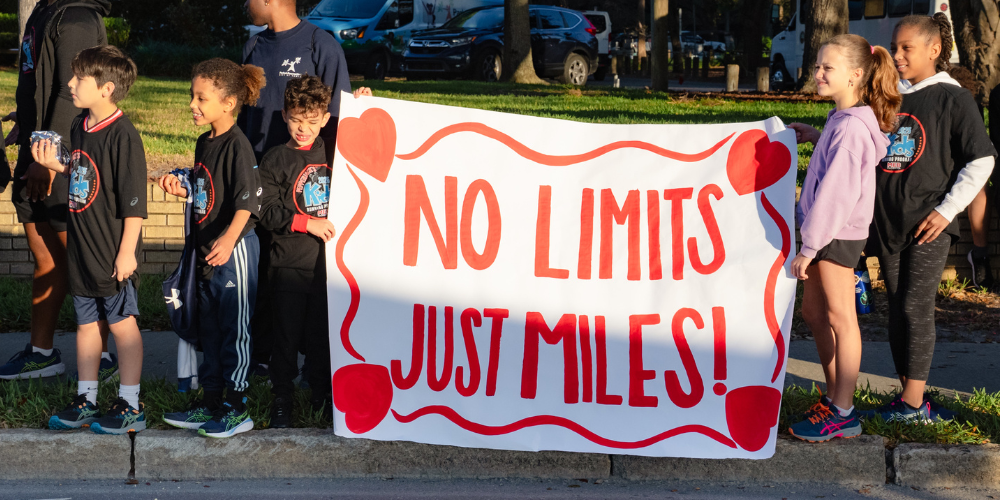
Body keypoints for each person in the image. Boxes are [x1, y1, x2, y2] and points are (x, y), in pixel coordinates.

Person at [865, 13, 996, 423]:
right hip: (888, 223)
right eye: (895, 46)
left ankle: (913, 404)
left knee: (916, 308)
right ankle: (908, 395)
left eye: (907, 48)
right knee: (897, 308)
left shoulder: (953, 99)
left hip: (927, 226)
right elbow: (867, 145)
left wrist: (946, 210)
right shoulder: (890, 94)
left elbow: (982, 160)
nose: (898, 55)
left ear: (934, 50)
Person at [784, 35, 899, 442]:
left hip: (834, 235)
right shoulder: (842, 120)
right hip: (825, 233)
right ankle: (834, 399)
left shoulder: (851, 128)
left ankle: (844, 412)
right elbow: (843, 161)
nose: (817, 74)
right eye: (816, 66)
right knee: (815, 316)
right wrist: (817, 137)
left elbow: (837, 194)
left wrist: (810, 247)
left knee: (841, 319)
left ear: (854, 76)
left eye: (826, 68)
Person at [0, 0, 117, 381]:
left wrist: (47, 156)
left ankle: (102, 357)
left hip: (62, 160)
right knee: (46, 259)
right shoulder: (45, 11)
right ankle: (42, 353)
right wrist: (28, 119)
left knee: (84, 262)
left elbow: (73, 93)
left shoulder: (78, 17)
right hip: (36, 148)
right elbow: (40, 80)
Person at [36, 45, 147, 434]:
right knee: (86, 325)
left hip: (111, 251)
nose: (70, 84)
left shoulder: (124, 135)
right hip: (81, 250)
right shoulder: (79, 126)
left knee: (121, 324)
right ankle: (88, 399)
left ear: (107, 88)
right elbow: (83, 172)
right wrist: (59, 164)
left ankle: (131, 404)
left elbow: (134, 202)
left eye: (79, 78)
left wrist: (127, 252)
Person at [240, 0, 352, 377]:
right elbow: (243, 118)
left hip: (307, 192)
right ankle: (263, 359)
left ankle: (316, 370)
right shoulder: (252, 48)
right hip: (262, 182)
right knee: (266, 277)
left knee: (306, 288)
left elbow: (341, 120)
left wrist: (363, 111)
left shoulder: (321, 46)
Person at [256, 75, 372, 427]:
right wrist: (307, 223)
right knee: (286, 338)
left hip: (331, 267)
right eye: (295, 120)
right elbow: (267, 212)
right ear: (283, 115)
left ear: (324, 118)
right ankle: (282, 400)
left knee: (324, 337)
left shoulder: (336, 146)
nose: (302, 128)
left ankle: (323, 399)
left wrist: (365, 104)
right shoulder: (275, 158)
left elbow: (366, 144)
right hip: (288, 264)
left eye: (310, 121)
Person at [158, 59, 265, 438]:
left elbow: (248, 202)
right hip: (206, 254)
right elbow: (208, 191)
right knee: (211, 331)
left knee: (235, 330)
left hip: (232, 253)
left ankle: (238, 408)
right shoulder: (205, 142)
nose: (193, 104)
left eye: (201, 98)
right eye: (192, 96)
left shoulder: (239, 145)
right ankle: (212, 402)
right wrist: (183, 188)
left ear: (229, 102)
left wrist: (229, 237)